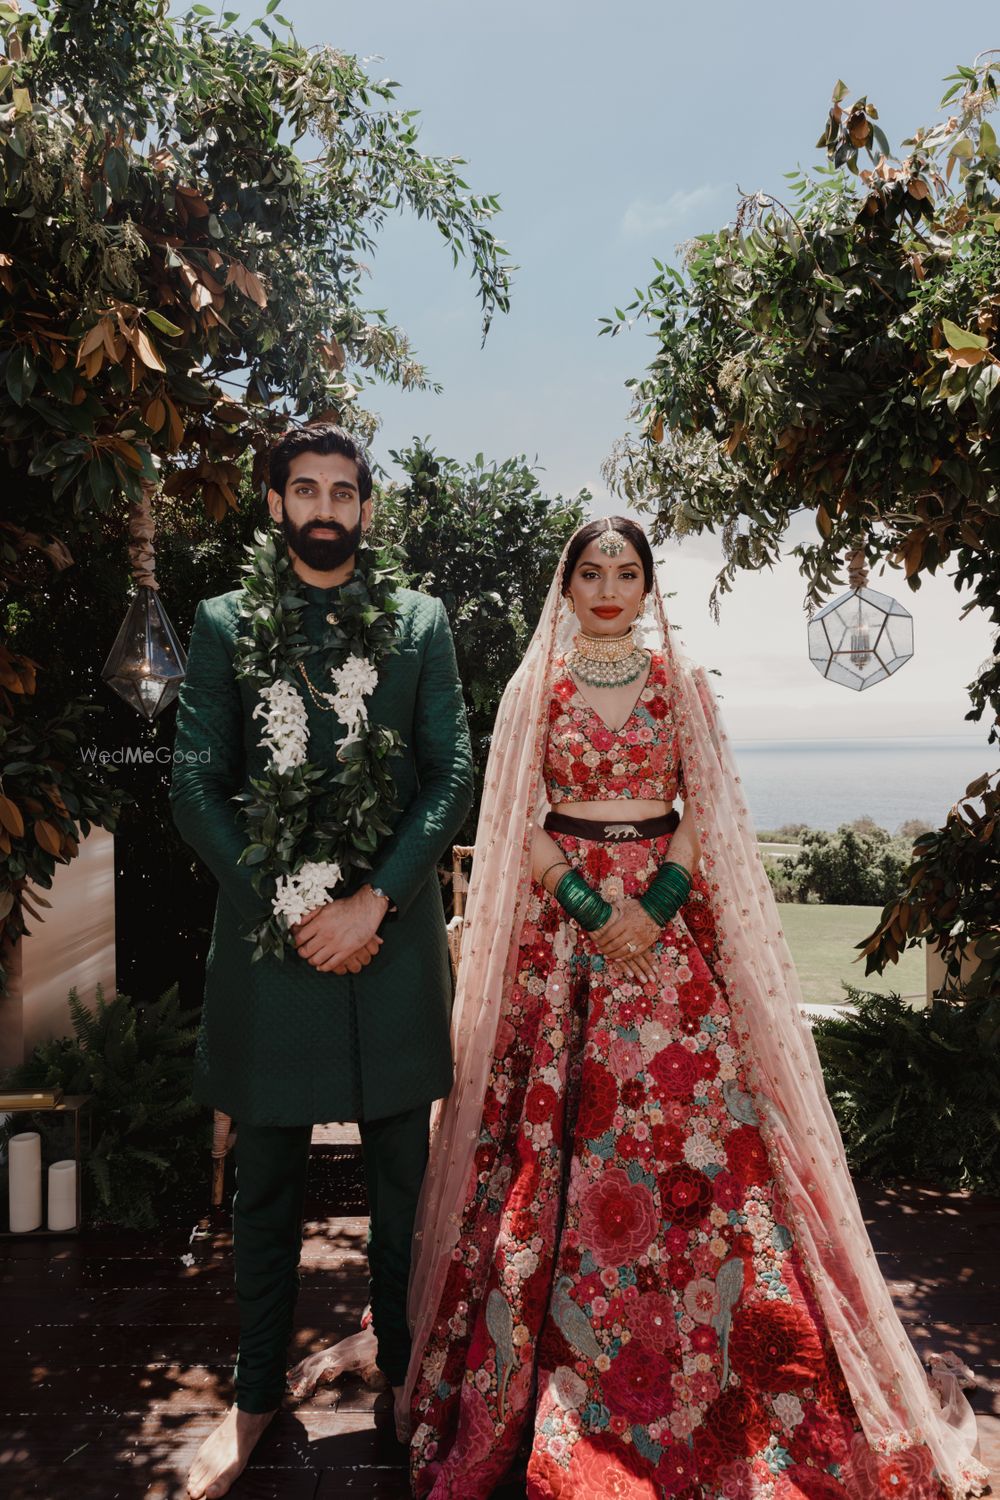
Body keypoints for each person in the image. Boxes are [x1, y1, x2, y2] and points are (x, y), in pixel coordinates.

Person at [400, 517, 987, 1497]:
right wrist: (593, 908)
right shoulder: (532, 685)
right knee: (551, 1143)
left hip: (667, 943)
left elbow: (700, 813)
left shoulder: (683, 685)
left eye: (625, 571)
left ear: (646, 584)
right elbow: (516, 826)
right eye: (590, 571)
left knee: (710, 1140)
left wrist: (655, 910)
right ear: (567, 581)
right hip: (566, 950)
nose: (607, 587)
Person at [169, 422, 472, 1500]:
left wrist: (373, 900)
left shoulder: (418, 621)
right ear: (273, 505)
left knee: (402, 1178)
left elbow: (450, 774)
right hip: (271, 943)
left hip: (390, 943)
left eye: (343, 491)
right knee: (266, 1183)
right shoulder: (222, 624)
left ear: (368, 509)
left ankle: (400, 1377)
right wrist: (302, 905)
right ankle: (255, 1392)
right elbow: (194, 787)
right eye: (305, 489)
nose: (326, 508)